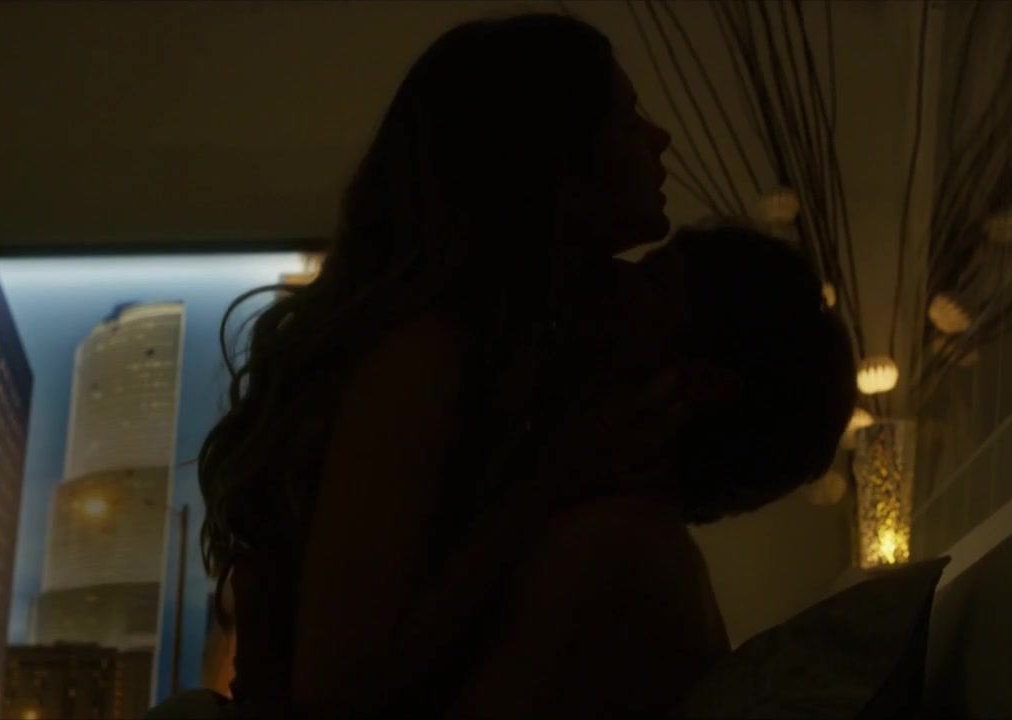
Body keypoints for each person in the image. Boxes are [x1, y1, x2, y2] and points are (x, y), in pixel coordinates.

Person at [194, 12, 684, 719]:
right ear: (550, 156)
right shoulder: (421, 356)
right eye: (627, 117)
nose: (659, 139)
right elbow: (335, 687)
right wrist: (552, 485)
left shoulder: (498, 352)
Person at [440, 222, 858, 718]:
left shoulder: (612, 547)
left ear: (695, 384)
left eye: (652, 279)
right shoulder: (637, 543)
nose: (613, 276)